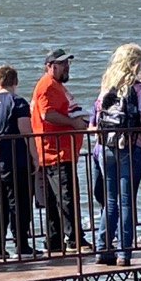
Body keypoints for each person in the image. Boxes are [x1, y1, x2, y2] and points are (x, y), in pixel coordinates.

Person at [94, 44, 141, 266]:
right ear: (135, 62)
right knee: (127, 201)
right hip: (131, 146)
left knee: (110, 200)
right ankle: (124, 252)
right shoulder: (138, 89)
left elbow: (95, 117)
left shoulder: (106, 86)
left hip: (106, 147)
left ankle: (102, 248)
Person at [31, 48, 92, 254]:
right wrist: (73, 124)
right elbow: (47, 114)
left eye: (68, 63)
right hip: (55, 152)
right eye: (62, 64)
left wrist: (81, 121)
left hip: (60, 151)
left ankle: (55, 242)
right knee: (66, 197)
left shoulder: (55, 86)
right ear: (50, 66)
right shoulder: (47, 85)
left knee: (56, 199)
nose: (67, 67)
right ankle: (74, 239)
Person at [0, 65, 41, 259]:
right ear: (15, 82)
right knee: (20, 202)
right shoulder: (18, 102)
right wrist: (35, 156)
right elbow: (25, 130)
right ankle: (21, 245)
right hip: (17, 159)